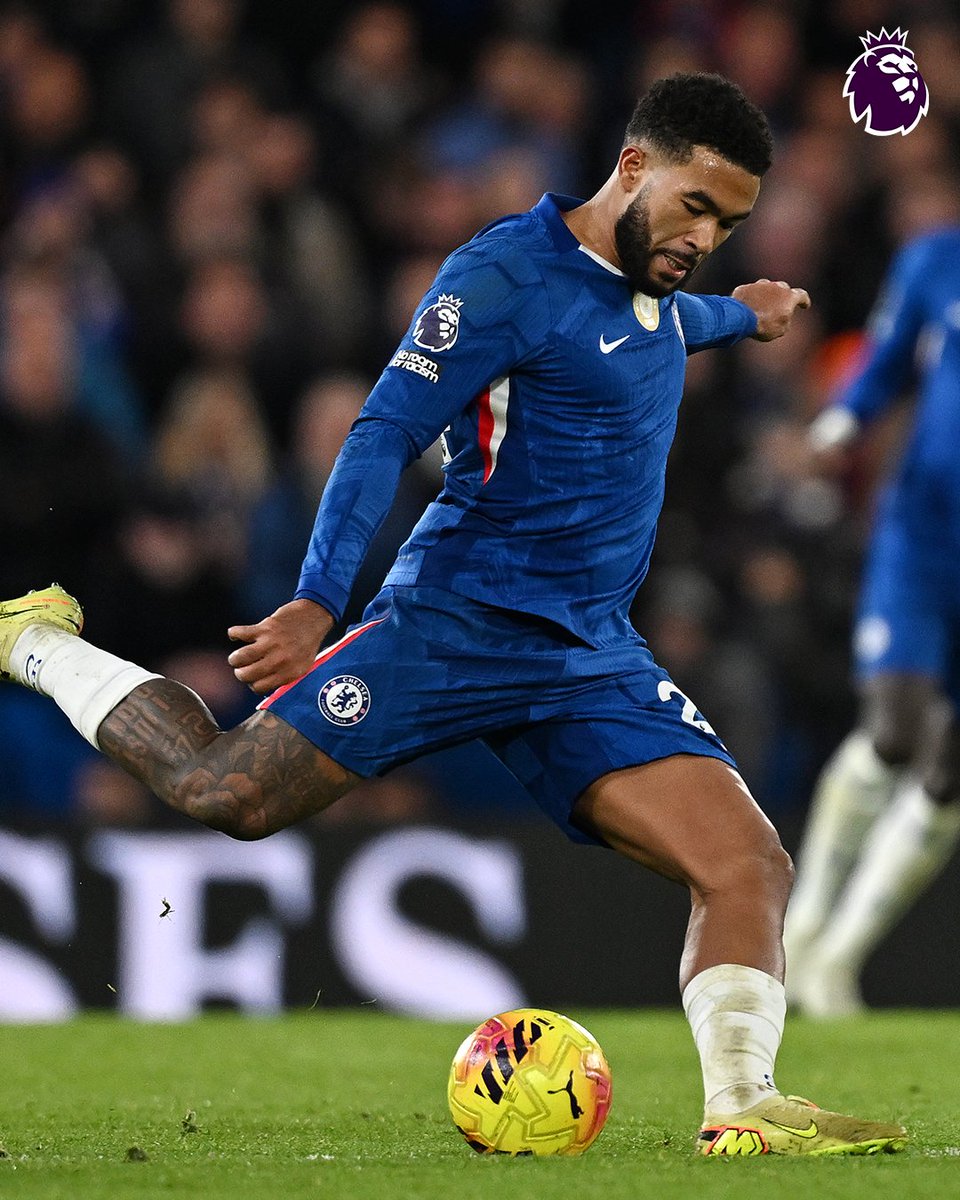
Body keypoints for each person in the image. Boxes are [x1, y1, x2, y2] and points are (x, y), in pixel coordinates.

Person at [0, 74, 905, 1156]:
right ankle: (40, 641)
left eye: (731, 223)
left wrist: (746, 314)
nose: (705, 237)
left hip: (588, 655)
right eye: (696, 207)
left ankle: (742, 1107)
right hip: (452, 623)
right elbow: (383, 431)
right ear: (631, 168)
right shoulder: (503, 276)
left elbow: (660, 323)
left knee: (749, 862)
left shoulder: (665, 286)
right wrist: (316, 598)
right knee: (225, 792)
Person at [784, 217, 960, 1019]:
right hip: (923, 534)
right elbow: (886, 364)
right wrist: (840, 421)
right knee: (895, 728)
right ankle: (801, 931)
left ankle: (838, 960)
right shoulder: (935, 259)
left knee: (952, 766)